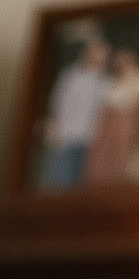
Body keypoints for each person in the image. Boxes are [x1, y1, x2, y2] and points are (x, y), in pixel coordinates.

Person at [40, 33, 110, 190]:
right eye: (99, 54)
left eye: (104, 55)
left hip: (89, 138)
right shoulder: (70, 76)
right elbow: (58, 102)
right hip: (66, 136)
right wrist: (54, 126)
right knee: (60, 180)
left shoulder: (103, 81)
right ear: (89, 53)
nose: (102, 58)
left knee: (77, 183)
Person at [85, 46, 139, 187]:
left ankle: (115, 183)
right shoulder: (111, 80)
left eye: (125, 61)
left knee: (122, 151)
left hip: (127, 117)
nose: (121, 64)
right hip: (108, 118)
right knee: (101, 152)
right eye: (119, 62)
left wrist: (134, 105)